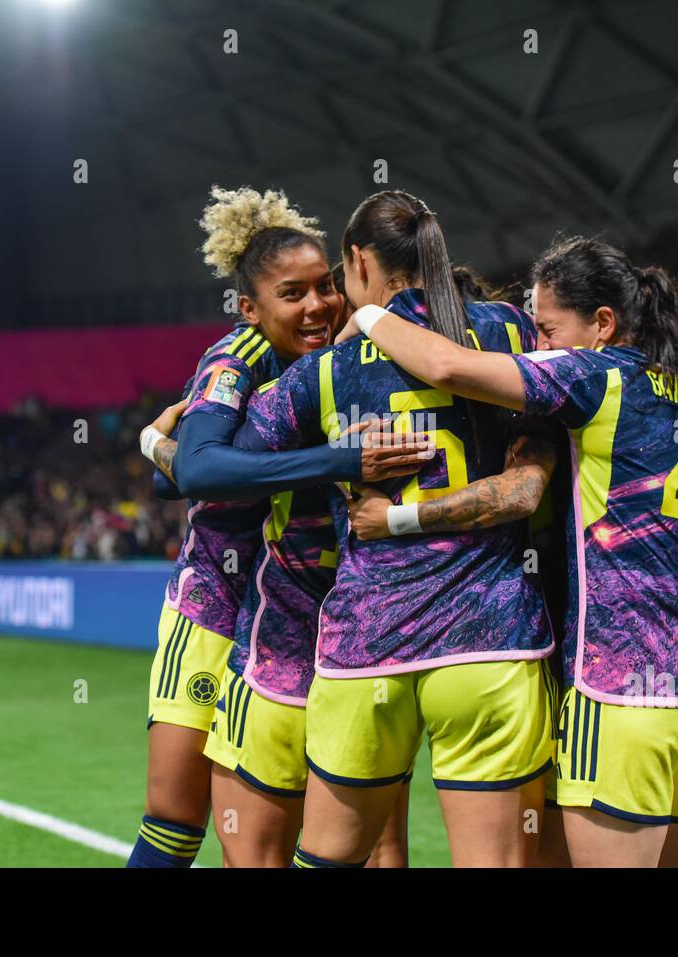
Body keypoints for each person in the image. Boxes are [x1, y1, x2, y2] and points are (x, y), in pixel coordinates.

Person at [339, 235, 678, 867]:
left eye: (546, 330)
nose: (535, 346)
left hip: (617, 677)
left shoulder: (592, 375)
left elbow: (449, 367)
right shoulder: (667, 384)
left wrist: (370, 314)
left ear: (602, 324)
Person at [232, 190, 555, 867]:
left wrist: (159, 438)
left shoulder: (324, 371)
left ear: (356, 260)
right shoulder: (508, 330)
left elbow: (224, 464)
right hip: (488, 642)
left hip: (366, 646)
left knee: (327, 860)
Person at [126, 187, 428, 868]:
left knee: (366, 836)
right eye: (293, 294)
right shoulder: (236, 362)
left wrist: (157, 448)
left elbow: (176, 471)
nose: (318, 305)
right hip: (215, 601)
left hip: (317, 612)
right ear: (250, 309)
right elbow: (196, 471)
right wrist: (342, 459)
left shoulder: (361, 347)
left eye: (326, 286)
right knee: (177, 817)